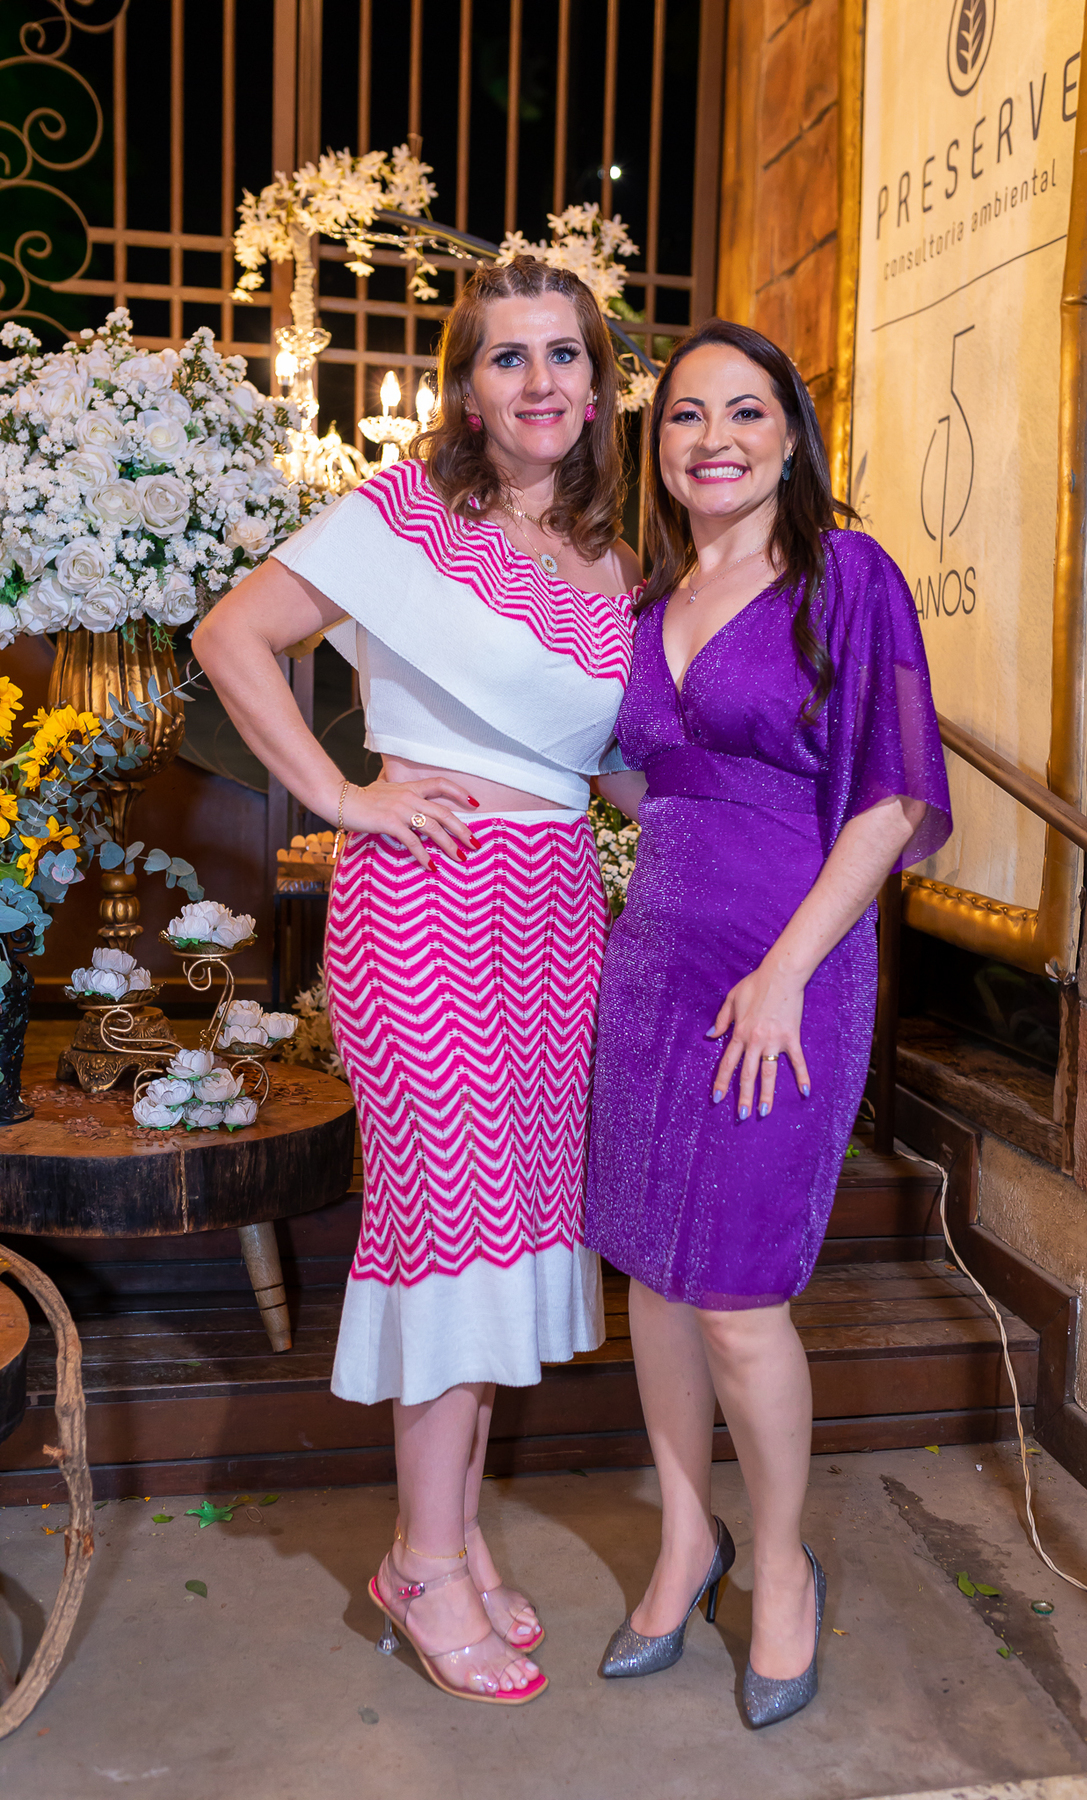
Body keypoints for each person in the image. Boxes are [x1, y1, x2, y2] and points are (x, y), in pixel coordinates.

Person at [193, 259, 641, 1706]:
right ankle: (430, 1564)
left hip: (555, 909)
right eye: (509, 357)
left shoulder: (611, 563)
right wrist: (342, 794)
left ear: (599, 384)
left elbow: (606, 768)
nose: (540, 382)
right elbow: (229, 635)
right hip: (430, 900)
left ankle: (437, 1537)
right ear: (466, 387)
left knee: (513, 1228)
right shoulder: (405, 514)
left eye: (565, 355)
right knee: (455, 1221)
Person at [584, 319, 951, 1727]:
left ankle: (782, 1565)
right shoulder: (649, 596)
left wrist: (788, 967)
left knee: (737, 1297)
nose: (715, 438)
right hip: (657, 963)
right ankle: (688, 1540)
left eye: (746, 411)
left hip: (788, 970)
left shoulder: (847, 576)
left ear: (791, 434)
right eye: (686, 415)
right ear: (658, 444)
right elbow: (641, 780)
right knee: (654, 1279)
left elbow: (895, 798)